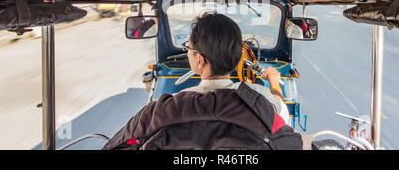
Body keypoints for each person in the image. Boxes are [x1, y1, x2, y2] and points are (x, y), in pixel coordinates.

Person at [103, 13, 311, 150]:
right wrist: (274, 84)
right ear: (238, 58)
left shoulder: (162, 108)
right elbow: (283, 115)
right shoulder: (261, 101)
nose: (188, 52)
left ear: (199, 60)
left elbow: (118, 144)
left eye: (189, 47)